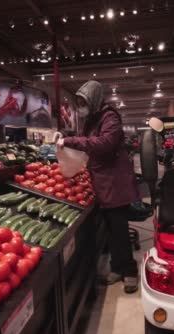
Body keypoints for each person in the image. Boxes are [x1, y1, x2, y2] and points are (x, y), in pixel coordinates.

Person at [57, 80, 140, 293]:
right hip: (101, 181)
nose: (80, 106)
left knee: (119, 229)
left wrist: (70, 142)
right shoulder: (92, 120)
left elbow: (104, 144)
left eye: (82, 101)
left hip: (115, 182)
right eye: (78, 102)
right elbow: (85, 140)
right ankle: (117, 268)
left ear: (93, 99)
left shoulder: (110, 117)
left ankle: (129, 272)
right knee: (111, 231)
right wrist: (65, 137)